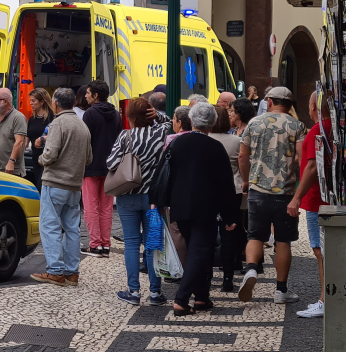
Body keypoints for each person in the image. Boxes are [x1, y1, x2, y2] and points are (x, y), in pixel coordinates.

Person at [160, 103, 238, 315]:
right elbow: (225, 184)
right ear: (211, 123)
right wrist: (230, 214)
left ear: (192, 120)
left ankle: (202, 297)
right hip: (206, 207)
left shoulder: (176, 143)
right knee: (199, 250)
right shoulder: (215, 147)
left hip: (179, 205)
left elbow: (167, 173)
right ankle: (181, 300)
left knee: (197, 250)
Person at [238, 87, 307, 304]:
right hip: (285, 193)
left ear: (268, 101)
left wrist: (247, 180)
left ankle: (250, 269)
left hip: (258, 189)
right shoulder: (297, 125)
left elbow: (242, 155)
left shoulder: (254, 123)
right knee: (283, 240)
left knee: (255, 235)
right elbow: (302, 157)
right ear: (289, 104)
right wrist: (292, 168)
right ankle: (281, 290)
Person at [106, 97, 171, 306]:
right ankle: (155, 293)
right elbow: (173, 122)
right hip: (153, 198)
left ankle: (133, 291)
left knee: (132, 243)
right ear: (149, 115)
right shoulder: (160, 133)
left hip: (128, 196)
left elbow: (111, 162)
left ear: (130, 117)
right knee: (153, 244)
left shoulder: (125, 136)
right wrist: (159, 116)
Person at [30, 88, 93, 287]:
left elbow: (50, 155)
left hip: (55, 182)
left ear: (55, 103)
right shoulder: (82, 126)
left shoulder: (57, 123)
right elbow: (89, 158)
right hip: (74, 185)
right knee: (72, 228)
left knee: (49, 226)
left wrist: (41, 159)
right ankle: (72, 272)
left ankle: (56, 271)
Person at [291, 91, 332, 319]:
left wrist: (297, 197)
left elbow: (311, 167)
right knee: (323, 251)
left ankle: (324, 299)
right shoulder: (330, 127)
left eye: (309, 104)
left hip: (317, 199)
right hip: (323, 197)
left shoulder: (318, 129)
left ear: (314, 107)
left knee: (320, 251)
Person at [80, 80, 123, 258]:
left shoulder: (89, 114)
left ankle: (95, 244)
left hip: (91, 166)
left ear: (96, 95)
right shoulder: (116, 114)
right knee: (106, 207)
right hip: (110, 167)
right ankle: (105, 244)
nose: (86, 95)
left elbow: (85, 141)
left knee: (90, 206)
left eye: (88, 93)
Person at [210, 106, 244, 292]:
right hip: (232, 190)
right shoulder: (236, 141)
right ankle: (228, 279)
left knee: (206, 234)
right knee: (229, 233)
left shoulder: (205, 140)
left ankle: (206, 275)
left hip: (209, 191)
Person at [0, 88, 27, 176]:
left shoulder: (18, 118)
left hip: (11, 170)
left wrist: (11, 161)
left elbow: (19, 141)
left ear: (5, 101)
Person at [26, 88, 54, 189]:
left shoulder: (51, 116)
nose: (30, 103)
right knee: (37, 185)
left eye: (33, 101)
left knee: (41, 186)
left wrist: (42, 139)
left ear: (42, 101)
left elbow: (56, 135)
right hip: (35, 157)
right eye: (30, 101)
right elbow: (28, 137)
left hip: (47, 157)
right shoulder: (32, 119)